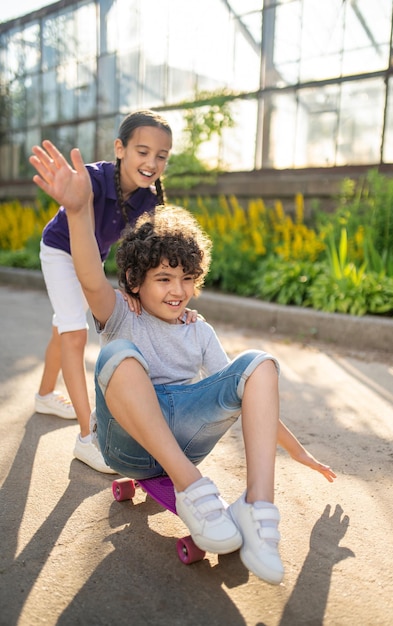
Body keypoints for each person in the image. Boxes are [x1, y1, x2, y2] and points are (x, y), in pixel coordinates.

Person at [29, 140, 336, 585]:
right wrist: (78, 212)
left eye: (187, 279)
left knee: (260, 364)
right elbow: (89, 276)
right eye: (164, 279)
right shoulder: (118, 312)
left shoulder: (197, 328)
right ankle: (193, 488)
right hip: (127, 445)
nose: (178, 291)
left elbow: (248, 388)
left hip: (185, 437)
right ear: (135, 280)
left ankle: (257, 505)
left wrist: (295, 448)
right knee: (120, 355)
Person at [33, 110, 197, 474]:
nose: (152, 162)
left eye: (161, 156)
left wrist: (132, 291)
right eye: (142, 151)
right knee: (74, 332)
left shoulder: (149, 199)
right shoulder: (90, 179)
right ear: (119, 148)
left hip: (94, 258)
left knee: (64, 325)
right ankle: (86, 437)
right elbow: (78, 226)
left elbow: (138, 252)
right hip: (60, 250)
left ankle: (44, 394)